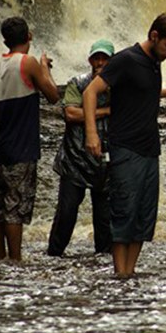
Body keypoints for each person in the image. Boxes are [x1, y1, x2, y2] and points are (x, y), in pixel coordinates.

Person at [83, 12, 166, 278]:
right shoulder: (126, 60)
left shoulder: (154, 62)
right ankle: (120, 274)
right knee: (124, 213)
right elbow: (90, 92)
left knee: (143, 217)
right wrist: (91, 134)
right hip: (125, 148)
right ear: (154, 36)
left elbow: (140, 90)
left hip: (149, 149)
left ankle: (129, 273)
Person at [0, 17, 60, 261]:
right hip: (23, 146)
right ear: (29, 36)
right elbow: (53, 95)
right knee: (15, 207)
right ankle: (15, 260)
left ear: (5, 40)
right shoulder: (28, 63)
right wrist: (45, 67)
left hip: (2, 145)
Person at [47, 39, 115, 257]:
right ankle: (54, 256)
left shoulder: (119, 87)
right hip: (75, 160)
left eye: (104, 59)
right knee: (66, 214)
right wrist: (105, 111)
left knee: (104, 219)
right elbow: (71, 114)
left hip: (105, 161)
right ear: (90, 60)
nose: (100, 62)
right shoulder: (77, 83)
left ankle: (104, 262)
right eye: (97, 58)